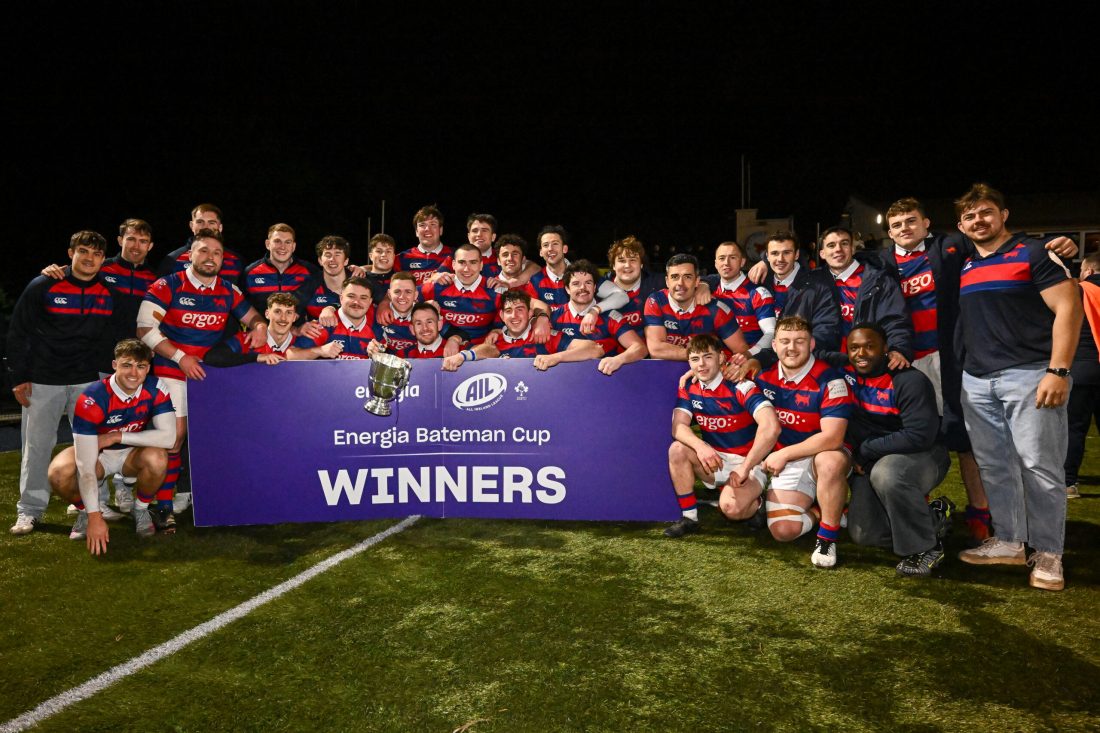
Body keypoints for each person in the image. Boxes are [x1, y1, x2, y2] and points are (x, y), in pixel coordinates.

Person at [952, 184, 1082, 592]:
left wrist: (1058, 371)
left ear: (1004, 214)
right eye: (970, 216)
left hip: (1028, 375)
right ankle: (1009, 539)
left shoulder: (1032, 253)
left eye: (986, 212)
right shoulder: (968, 266)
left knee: (1039, 465)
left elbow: (1069, 307)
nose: (979, 221)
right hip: (977, 380)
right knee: (995, 465)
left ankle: (1048, 552)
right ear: (961, 225)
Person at [137, 229, 267, 530]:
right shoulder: (167, 284)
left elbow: (254, 318)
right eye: (204, 251)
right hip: (175, 371)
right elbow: (144, 329)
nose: (210, 257)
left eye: (217, 253)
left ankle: (213, 496)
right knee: (174, 438)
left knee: (219, 438)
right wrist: (181, 357)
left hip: (210, 375)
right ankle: (164, 506)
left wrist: (259, 326)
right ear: (190, 255)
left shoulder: (228, 290)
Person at [9, 231, 115, 536]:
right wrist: (19, 377)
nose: (89, 258)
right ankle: (30, 510)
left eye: (96, 254)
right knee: (37, 447)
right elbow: (19, 332)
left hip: (86, 381)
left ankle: (94, 503)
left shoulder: (108, 291)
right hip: (44, 380)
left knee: (89, 447)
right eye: (83, 251)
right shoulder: (44, 284)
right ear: (70, 253)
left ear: (102, 259)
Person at [842, 323, 952, 577]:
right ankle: (933, 517)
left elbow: (919, 437)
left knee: (887, 474)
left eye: (870, 347)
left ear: (886, 350)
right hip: (875, 458)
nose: (862, 353)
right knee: (864, 534)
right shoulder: (848, 375)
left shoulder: (908, 380)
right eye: (854, 348)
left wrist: (866, 450)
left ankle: (927, 548)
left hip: (923, 456)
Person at [47, 340, 176, 553]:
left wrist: (117, 436)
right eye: (127, 365)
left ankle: (141, 509)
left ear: (148, 368)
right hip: (97, 454)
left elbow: (169, 438)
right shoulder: (93, 397)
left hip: (131, 453)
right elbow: (86, 467)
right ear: (115, 365)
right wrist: (94, 517)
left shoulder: (156, 387)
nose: (134, 373)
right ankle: (84, 511)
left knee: (158, 457)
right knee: (59, 472)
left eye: (141, 366)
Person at [754, 316, 853, 568]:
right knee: (783, 531)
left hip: (824, 453)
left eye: (800, 341)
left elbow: (833, 437)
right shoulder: (763, 378)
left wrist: (784, 454)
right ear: (774, 345)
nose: (792, 347)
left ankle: (827, 537)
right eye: (785, 341)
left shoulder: (831, 380)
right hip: (789, 460)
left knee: (829, 460)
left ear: (812, 344)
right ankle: (830, 510)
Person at [664, 334, 780, 537]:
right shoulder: (690, 386)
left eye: (708, 357)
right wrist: (701, 447)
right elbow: (678, 427)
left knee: (732, 509)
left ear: (720, 358)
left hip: (748, 462)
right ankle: (690, 517)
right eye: (695, 359)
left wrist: (745, 468)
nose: (701, 364)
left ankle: (758, 503)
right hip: (714, 459)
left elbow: (771, 427)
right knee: (677, 449)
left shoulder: (740, 385)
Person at [817, 226, 914, 368]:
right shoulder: (813, 283)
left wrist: (898, 348)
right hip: (829, 364)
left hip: (869, 363)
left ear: (853, 249)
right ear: (822, 254)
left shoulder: (879, 280)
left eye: (844, 243)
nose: (838, 249)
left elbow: (895, 320)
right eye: (831, 245)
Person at [747, 231, 842, 366]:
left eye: (787, 253)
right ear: (766, 256)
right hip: (760, 361)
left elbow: (826, 333)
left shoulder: (818, 287)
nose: (780, 259)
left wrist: (789, 352)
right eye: (774, 253)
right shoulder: (759, 281)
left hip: (802, 363)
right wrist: (705, 283)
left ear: (796, 255)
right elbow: (727, 281)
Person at [644, 253, 749, 361]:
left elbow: (741, 350)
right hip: (671, 370)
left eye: (687, 277)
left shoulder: (715, 308)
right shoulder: (656, 301)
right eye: (675, 277)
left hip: (709, 372)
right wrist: (705, 357)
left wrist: (730, 365)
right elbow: (656, 350)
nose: (680, 283)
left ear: (697, 281)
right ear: (667, 281)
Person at [548, 260, 648, 374]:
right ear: (567, 289)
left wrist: (619, 359)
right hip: (565, 379)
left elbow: (640, 348)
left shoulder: (610, 316)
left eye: (588, 283)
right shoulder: (555, 317)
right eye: (576, 283)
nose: (583, 287)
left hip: (604, 380)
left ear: (595, 287)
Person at [486, 290, 603, 370]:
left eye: (520, 309)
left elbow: (596, 349)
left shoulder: (544, 335)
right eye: (508, 311)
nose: (514, 315)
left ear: (530, 313)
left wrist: (556, 357)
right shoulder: (493, 343)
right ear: (501, 315)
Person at [419, 243, 508, 344]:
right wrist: (424, 308)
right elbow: (407, 299)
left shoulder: (495, 291)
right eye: (462, 262)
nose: (466, 269)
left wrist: (498, 331)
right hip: (443, 353)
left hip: (480, 354)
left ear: (481, 265)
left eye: (473, 262)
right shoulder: (438, 286)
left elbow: (509, 322)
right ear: (453, 265)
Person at [526, 226, 629, 313]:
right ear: (540, 252)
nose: (550, 249)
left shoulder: (584, 273)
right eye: (545, 245)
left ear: (564, 249)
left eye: (555, 244)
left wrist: (595, 310)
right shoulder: (535, 280)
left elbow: (622, 296)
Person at [1065, 251, 1100, 499]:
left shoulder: (1077, 289)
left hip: (1081, 367)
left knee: (1074, 428)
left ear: (1088, 271)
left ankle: (1068, 482)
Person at [702, 240, 776, 355]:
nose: (726, 263)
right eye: (721, 258)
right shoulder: (707, 292)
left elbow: (771, 332)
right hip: (713, 363)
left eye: (732, 257)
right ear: (716, 264)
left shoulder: (758, 293)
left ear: (742, 262)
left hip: (750, 362)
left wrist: (750, 354)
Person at [205, 293, 316, 365]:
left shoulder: (302, 342)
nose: (283, 318)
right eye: (277, 312)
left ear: (295, 317)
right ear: (267, 314)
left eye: (289, 313)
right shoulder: (248, 340)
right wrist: (257, 357)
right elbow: (212, 357)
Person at [373, 272, 465, 357]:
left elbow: (461, 334)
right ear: (389, 294)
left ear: (416, 295)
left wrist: (454, 339)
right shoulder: (377, 313)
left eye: (408, 292)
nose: (402, 297)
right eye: (397, 292)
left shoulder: (423, 314)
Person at [242, 223, 321, 316]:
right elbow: (242, 307)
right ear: (268, 244)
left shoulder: (310, 271)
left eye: (287, 242)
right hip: (263, 330)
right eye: (277, 241)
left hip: (299, 330)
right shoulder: (250, 272)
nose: (282, 247)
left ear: (294, 246)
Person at [290, 277, 378, 360]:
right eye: (351, 296)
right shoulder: (325, 324)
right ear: (341, 298)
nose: (356, 302)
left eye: (363, 298)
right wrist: (320, 351)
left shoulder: (377, 327)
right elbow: (289, 355)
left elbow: (389, 359)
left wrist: (379, 355)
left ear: (370, 301)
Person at [157, 203, 244, 283]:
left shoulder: (236, 260)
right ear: (192, 226)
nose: (205, 227)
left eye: (211, 223)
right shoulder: (172, 259)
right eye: (200, 222)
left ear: (220, 227)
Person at [603, 235, 667, 334]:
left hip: (648, 347)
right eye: (622, 260)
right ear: (613, 266)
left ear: (641, 264)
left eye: (633, 260)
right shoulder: (598, 289)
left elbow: (684, 281)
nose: (627, 265)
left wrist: (700, 287)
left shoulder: (658, 283)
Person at [303, 235, 356, 319]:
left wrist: (385, 300)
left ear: (346, 261)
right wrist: (299, 328)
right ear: (320, 260)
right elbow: (293, 310)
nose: (332, 259)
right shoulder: (309, 284)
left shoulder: (359, 281)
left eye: (337, 254)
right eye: (328, 254)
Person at [396, 205, 452, 284]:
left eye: (433, 224)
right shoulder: (401, 259)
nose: (427, 229)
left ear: (441, 230)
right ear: (416, 232)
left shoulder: (455, 256)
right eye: (422, 225)